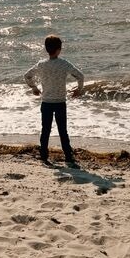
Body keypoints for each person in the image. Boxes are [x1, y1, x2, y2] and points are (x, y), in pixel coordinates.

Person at [24, 35, 84, 166]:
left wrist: (34, 88)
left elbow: (27, 76)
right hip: (60, 103)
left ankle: (44, 155)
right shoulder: (64, 64)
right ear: (58, 50)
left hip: (46, 103)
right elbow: (80, 76)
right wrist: (78, 90)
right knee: (63, 130)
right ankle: (68, 156)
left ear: (47, 49)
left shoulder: (41, 65)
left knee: (45, 129)